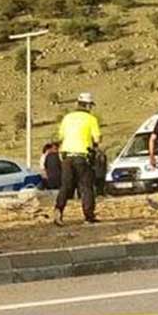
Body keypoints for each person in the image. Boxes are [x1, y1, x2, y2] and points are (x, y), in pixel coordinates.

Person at [54, 92, 102, 226]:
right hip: (82, 156)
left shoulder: (67, 118)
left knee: (66, 186)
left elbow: (60, 137)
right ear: (87, 105)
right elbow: (97, 138)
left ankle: (59, 209)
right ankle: (88, 216)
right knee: (86, 186)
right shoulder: (91, 119)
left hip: (67, 156)